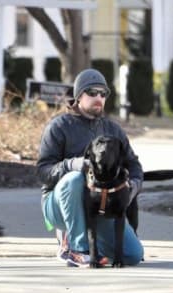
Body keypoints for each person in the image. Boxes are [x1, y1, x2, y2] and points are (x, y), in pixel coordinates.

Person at [36, 68, 144, 267]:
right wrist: (72, 164)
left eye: (103, 94)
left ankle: (95, 247)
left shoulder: (113, 130)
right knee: (76, 178)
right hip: (59, 204)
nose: (99, 98)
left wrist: (132, 188)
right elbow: (43, 172)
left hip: (99, 205)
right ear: (78, 97)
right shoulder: (59, 126)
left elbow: (134, 166)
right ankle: (75, 247)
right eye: (92, 92)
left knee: (133, 255)